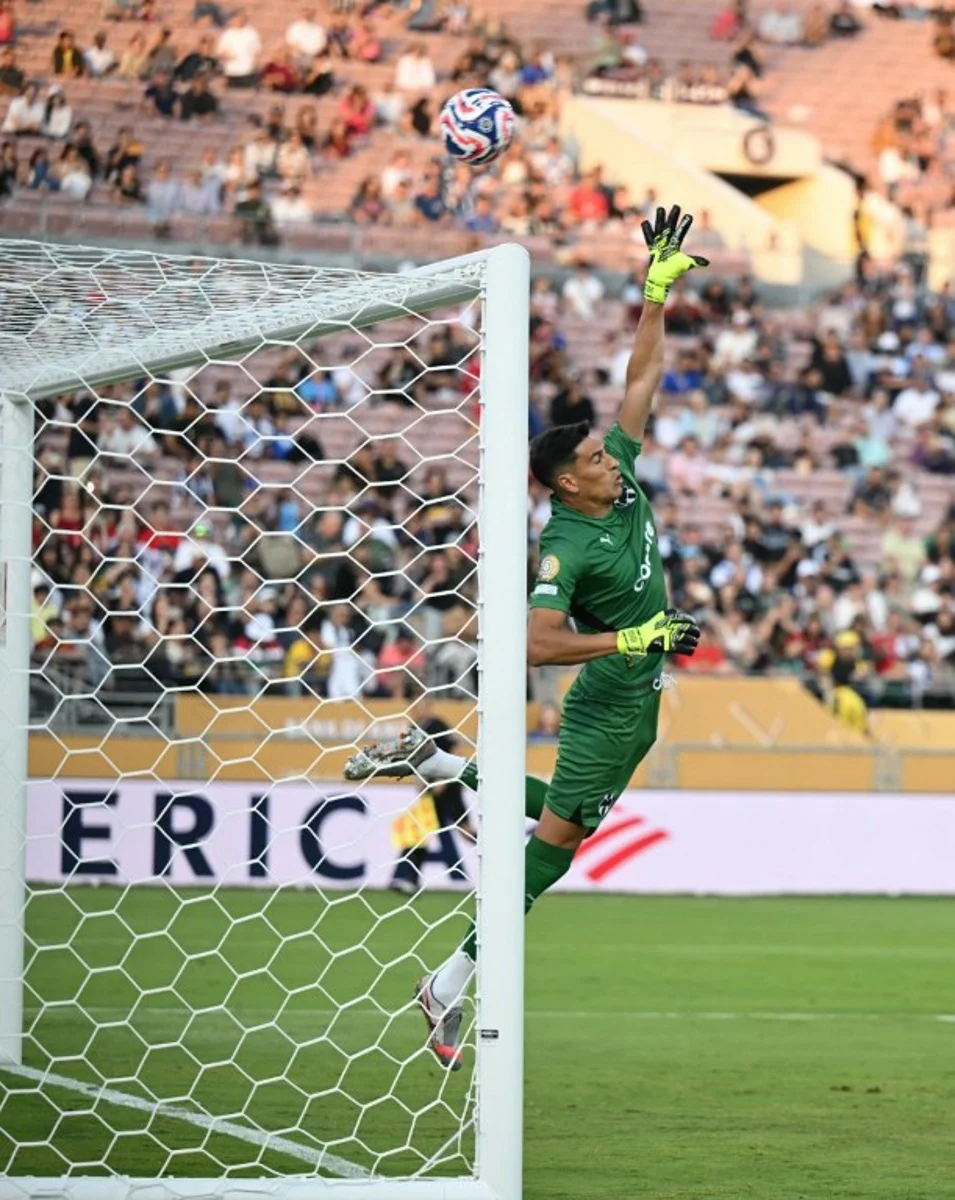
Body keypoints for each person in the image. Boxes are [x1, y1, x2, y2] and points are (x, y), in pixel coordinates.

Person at [344, 203, 707, 1070]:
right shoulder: (568, 544)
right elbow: (535, 646)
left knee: (557, 826)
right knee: (543, 864)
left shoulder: (616, 488)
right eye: (591, 461)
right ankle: (448, 984)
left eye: (606, 454)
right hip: (611, 701)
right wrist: (634, 641)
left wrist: (653, 294)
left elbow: (640, 384)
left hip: (633, 703)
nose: (611, 460)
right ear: (558, 487)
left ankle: (436, 766)